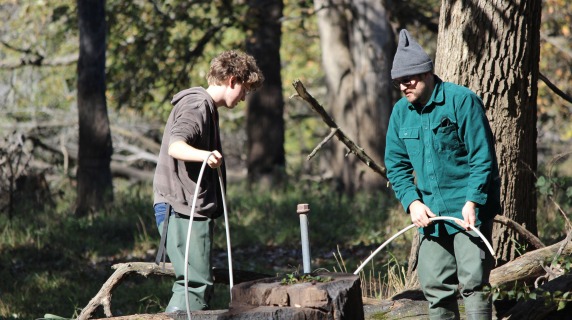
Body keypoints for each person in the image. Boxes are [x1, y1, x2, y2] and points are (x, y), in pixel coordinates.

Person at [384, 29, 501, 320]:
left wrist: (473, 201)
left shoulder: (462, 102)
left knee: (474, 284)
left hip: (468, 211)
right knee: (435, 285)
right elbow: (395, 166)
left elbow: (482, 157)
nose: (403, 86)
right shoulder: (400, 113)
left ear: (425, 73)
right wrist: (412, 202)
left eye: (408, 79)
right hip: (431, 216)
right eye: (398, 81)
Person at [152, 50, 264, 312]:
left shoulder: (206, 107)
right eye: (245, 89)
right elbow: (175, 146)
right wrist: (205, 155)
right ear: (232, 80)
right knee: (195, 285)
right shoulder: (197, 105)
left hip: (187, 209)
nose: (244, 97)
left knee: (196, 282)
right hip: (180, 210)